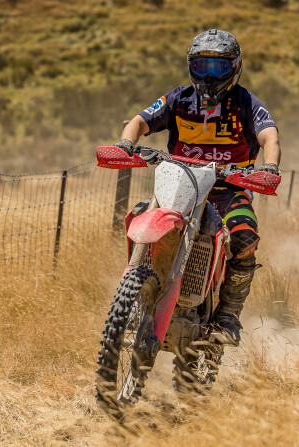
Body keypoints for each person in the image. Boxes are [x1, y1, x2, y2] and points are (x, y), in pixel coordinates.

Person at [115, 29, 282, 345]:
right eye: (201, 66)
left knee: (244, 236)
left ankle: (228, 316)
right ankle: (136, 296)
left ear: (234, 67)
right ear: (191, 66)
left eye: (217, 67)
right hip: (179, 186)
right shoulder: (178, 98)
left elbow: (269, 135)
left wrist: (270, 166)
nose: (208, 76)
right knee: (139, 215)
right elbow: (138, 121)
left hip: (229, 190)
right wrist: (125, 143)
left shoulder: (245, 102)